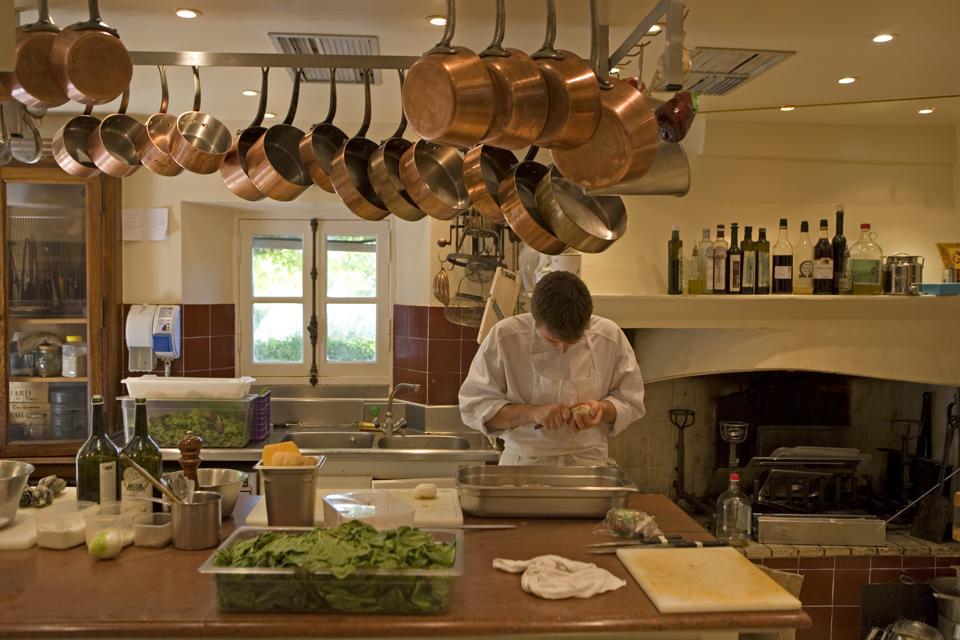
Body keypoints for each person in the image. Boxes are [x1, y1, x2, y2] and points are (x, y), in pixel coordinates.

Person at [459, 271, 645, 465]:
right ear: (534, 319)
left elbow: (631, 400)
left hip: (588, 461)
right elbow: (474, 409)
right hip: (523, 462)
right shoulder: (504, 337)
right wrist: (533, 413)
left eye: (573, 341)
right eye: (552, 340)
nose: (563, 350)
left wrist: (602, 409)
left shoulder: (609, 337)